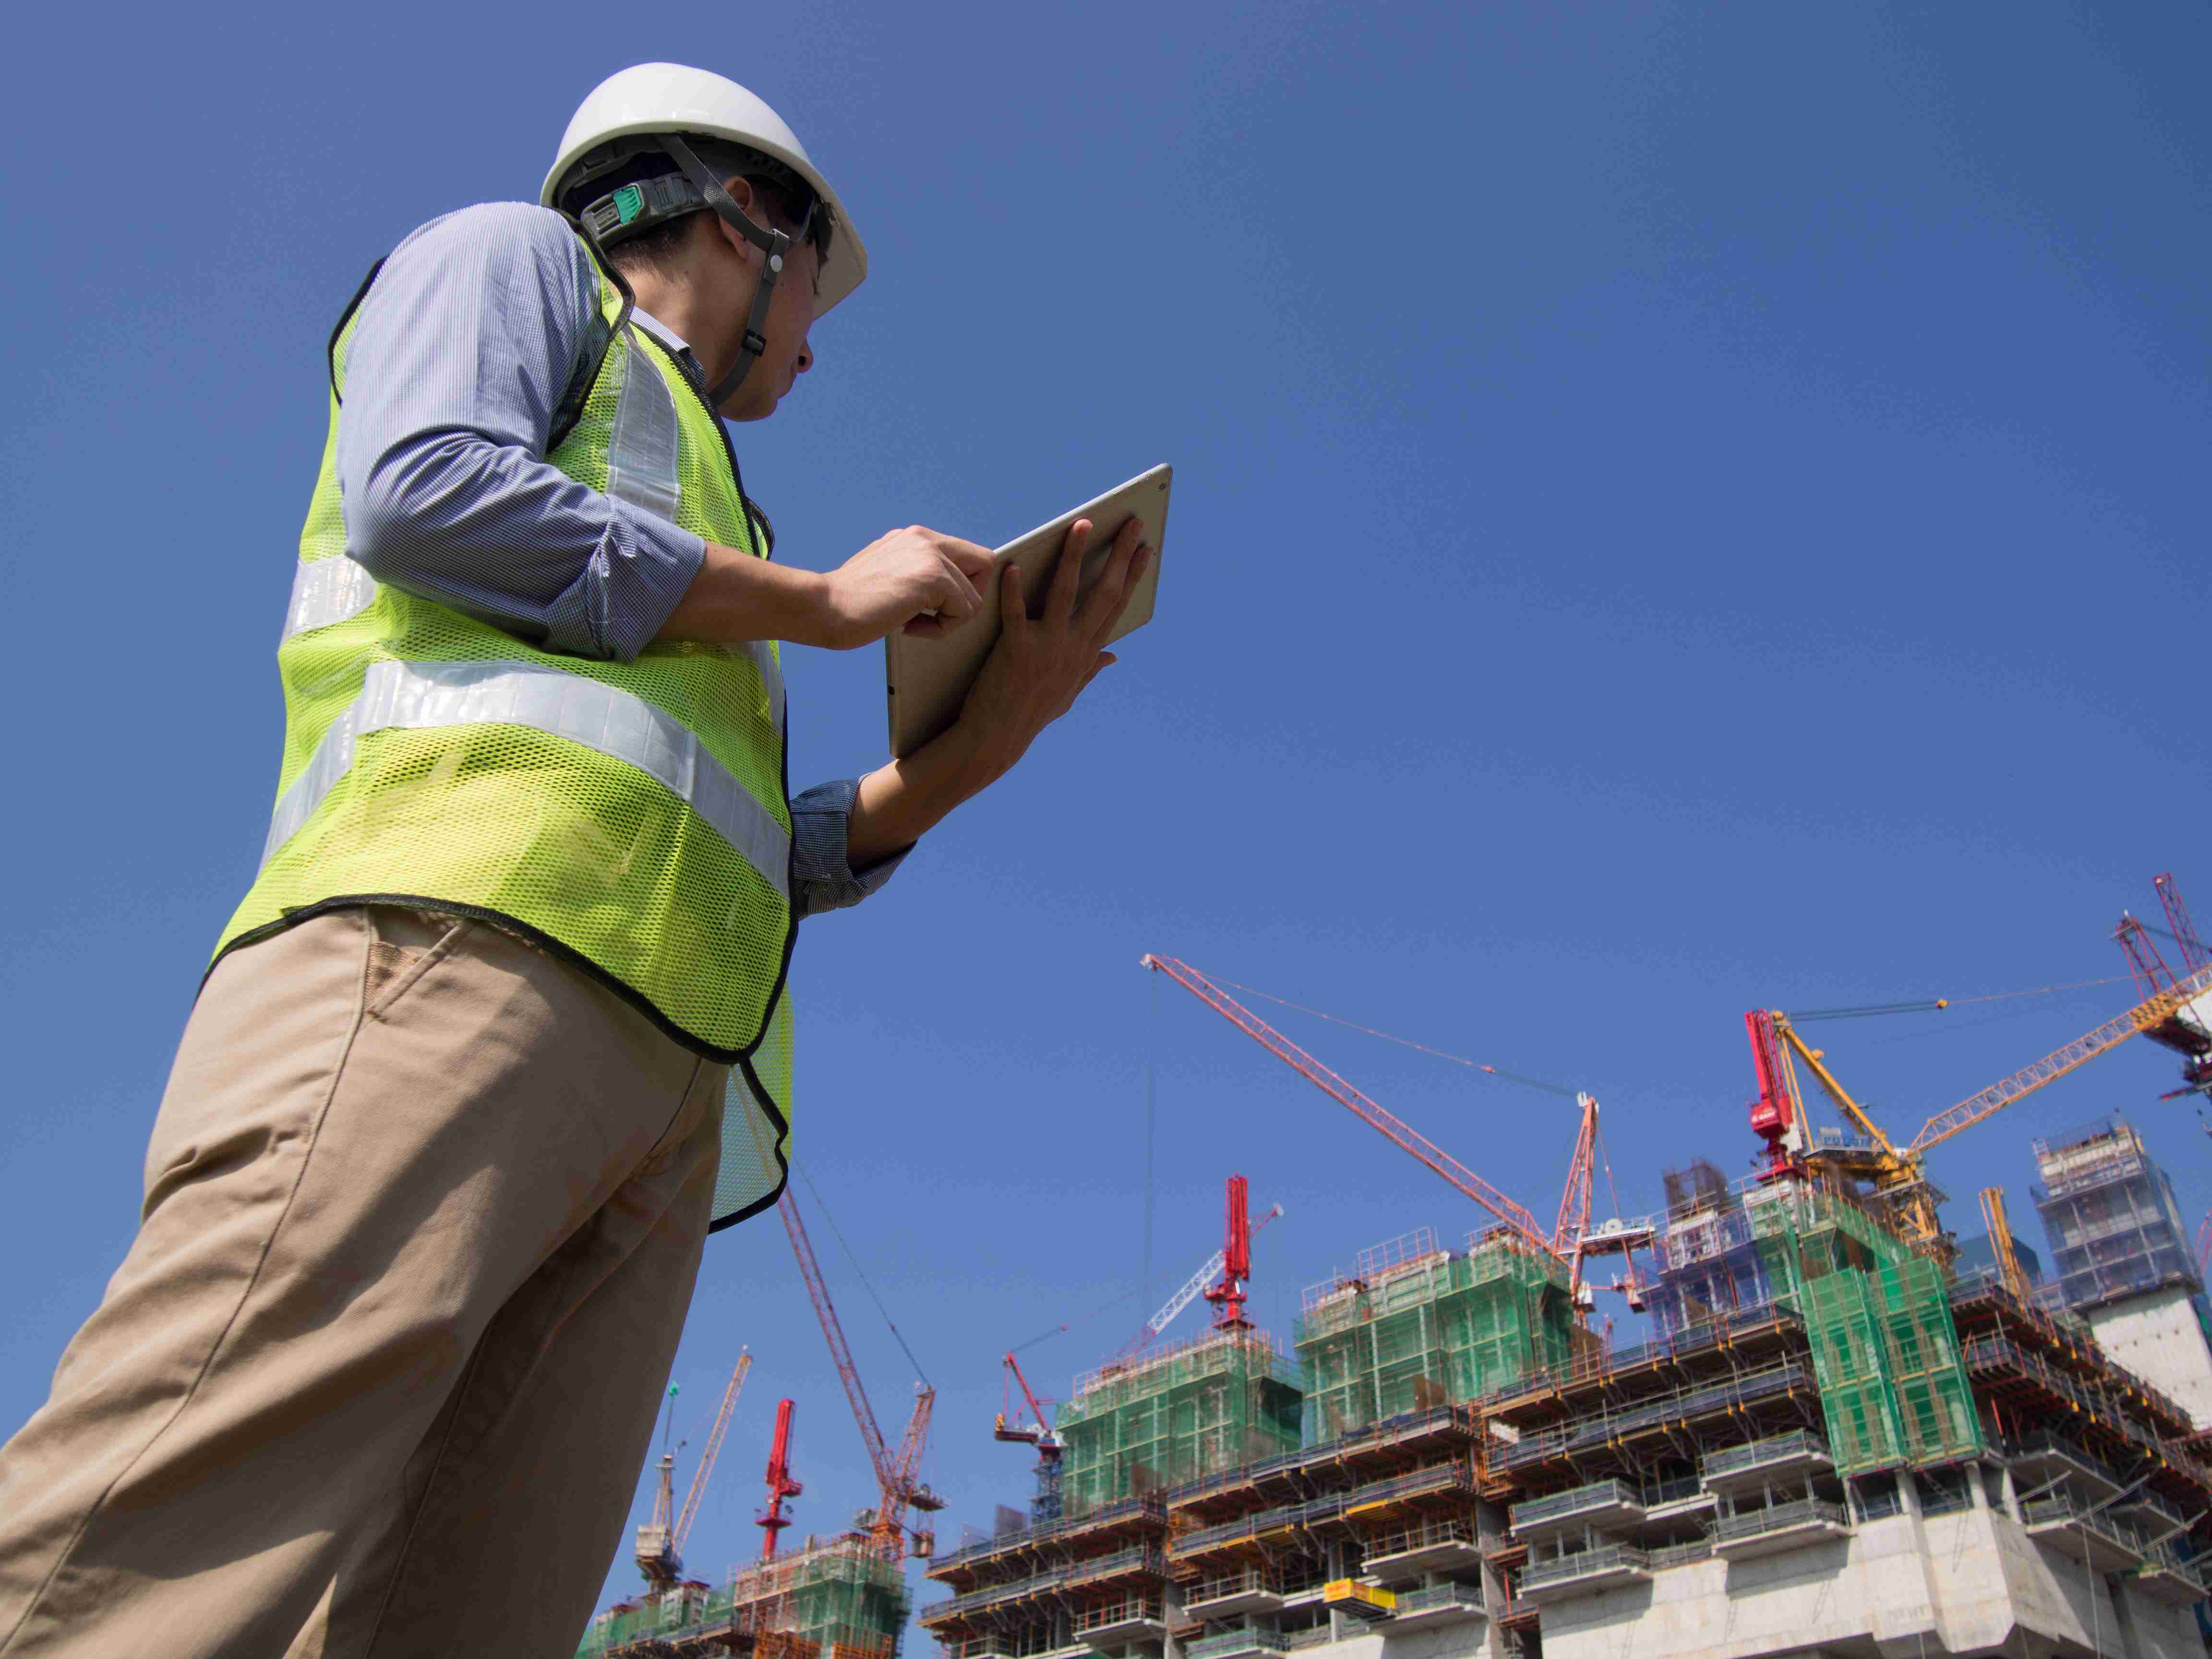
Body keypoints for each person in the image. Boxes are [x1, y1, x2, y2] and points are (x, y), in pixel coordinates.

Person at [0, 61, 1151, 1659]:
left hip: (658, 1086)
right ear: (751, 217)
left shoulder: (703, 504)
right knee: (164, 1533)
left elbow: (752, 844)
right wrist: (816, 602)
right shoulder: (514, 263)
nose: (818, 339)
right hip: (443, 956)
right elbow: (423, 493)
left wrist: (983, 742)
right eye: (821, 281)